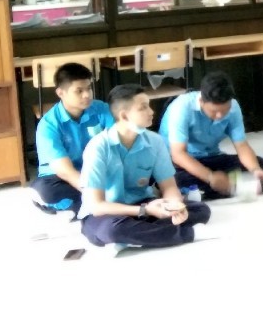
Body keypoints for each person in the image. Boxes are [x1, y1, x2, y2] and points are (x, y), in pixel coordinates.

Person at [78, 85, 212, 250]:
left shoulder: (155, 141)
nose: (151, 111)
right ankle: (186, 234)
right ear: (124, 116)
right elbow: (97, 205)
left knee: (201, 210)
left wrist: (175, 206)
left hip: (143, 203)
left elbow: (169, 186)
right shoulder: (98, 147)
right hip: (107, 212)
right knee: (112, 230)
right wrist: (145, 210)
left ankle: (135, 237)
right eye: (143, 108)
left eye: (149, 106)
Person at [161, 71, 263, 200]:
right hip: (179, 163)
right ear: (201, 101)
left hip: (210, 157)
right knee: (175, 180)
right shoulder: (181, 108)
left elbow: (241, 146)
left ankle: (218, 187)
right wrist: (210, 176)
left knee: (260, 164)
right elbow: (178, 154)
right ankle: (232, 188)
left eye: (224, 111)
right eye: (214, 111)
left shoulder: (234, 107)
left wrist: (256, 170)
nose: (219, 116)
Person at [31, 62, 113, 217]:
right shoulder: (48, 125)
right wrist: (94, 193)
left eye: (89, 88)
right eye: (79, 91)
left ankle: (78, 207)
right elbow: (66, 171)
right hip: (63, 176)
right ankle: (92, 203)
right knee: (47, 191)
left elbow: (118, 144)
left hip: (96, 169)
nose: (87, 95)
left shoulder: (101, 109)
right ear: (61, 93)